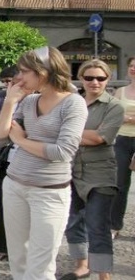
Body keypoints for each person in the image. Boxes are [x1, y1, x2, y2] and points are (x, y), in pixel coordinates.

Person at [0, 46, 88, 280]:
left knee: (42, 262)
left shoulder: (73, 104)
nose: (19, 77)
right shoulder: (29, 101)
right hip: (15, 185)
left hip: (49, 192)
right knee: (18, 257)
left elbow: (63, 151)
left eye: (25, 71)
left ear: (44, 72)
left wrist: (22, 141)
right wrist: (10, 102)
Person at [60, 59, 124, 280]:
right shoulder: (71, 102)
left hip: (101, 172)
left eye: (100, 78)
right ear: (81, 79)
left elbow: (100, 137)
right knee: (73, 221)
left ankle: (103, 274)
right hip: (70, 169)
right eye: (89, 78)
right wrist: (83, 135)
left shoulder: (114, 106)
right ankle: (82, 265)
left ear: (108, 80)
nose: (94, 82)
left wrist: (68, 134)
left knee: (98, 224)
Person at [0, 65, 18, 261]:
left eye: (11, 81)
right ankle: (1, 246)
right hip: (5, 155)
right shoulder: (1, 97)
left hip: (27, 155)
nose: (8, 85)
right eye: (5, 81)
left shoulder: (33, 97)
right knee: (1, 201)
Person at [111, 56, 135, 240]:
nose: (133, 69)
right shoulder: (120, 91)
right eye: (132, 66)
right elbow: (114, 114)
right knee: (119, 184)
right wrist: (125, 119)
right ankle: (115, 224)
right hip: (122, 140)